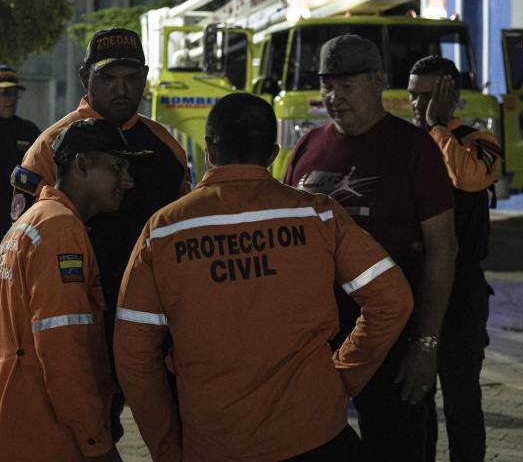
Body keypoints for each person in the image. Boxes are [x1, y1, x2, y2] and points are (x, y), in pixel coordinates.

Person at [114, 92, 414, 461]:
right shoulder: (318, 216)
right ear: (273, 154)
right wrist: (344, 377)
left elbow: (133, 353)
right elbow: (393, 300)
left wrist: (167, 445)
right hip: (316, 433)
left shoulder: (163, 231)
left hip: (217, 441)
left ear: (209, 149)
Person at [9, 27, 190, 440]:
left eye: (131, 78)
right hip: (83, 318)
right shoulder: (51, 146)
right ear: (84, 77)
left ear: (145, 77)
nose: (121, 89)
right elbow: (25, 242)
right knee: (91, 427)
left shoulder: (165, 147)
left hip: (157, 318)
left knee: (179, 428)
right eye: (108, 78)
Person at [285, 34, 458, 462]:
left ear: (379, 81)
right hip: (319, 339)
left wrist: (426, 345)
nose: (334, 97)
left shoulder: (414, 149)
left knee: (398, 446)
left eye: (346, 86)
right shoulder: (308, 146)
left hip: (391, 340)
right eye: (327, 86)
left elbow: (443, 249)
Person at [0, 118, 147, 462]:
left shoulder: (33, 222)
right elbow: (65, 351)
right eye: (117, 167)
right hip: (48, 435)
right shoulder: (59, 230)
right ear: (82, 163)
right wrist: (96, 442)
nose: (127, 181)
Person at [408, 55, 502, 462]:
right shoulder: (403, 144)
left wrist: (437, 127)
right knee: (415, 401)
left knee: (462, 401)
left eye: (429, 96)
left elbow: (468, 177)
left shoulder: (478, 141)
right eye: (413, 95)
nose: (418, 105)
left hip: (462, 290)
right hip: (413, 286)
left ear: (451, 97)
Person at [0, 65, 39, 236]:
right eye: (5, 93)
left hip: (21, 221)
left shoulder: (28, 130)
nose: (12, 99)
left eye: (15, 93)